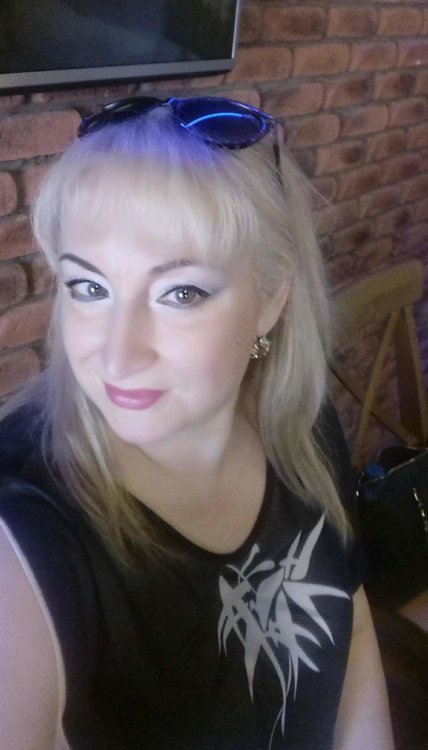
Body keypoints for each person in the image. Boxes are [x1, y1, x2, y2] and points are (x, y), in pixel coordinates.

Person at [0, 96, 393, 750]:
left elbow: (348, 635)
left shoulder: (300, 425)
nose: (118, 355)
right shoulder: (23, 532)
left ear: (272, 298)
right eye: (90, 288)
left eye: (179, 293)